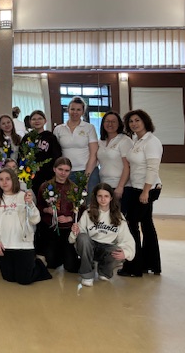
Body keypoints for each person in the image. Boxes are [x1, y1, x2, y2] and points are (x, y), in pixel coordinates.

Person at [0, 168, 52, 285]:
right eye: (1, 179)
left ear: (14, 180)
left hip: (23, 244)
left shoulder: (23, 196)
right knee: (8, 278)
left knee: (24, 280)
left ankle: (39, 264)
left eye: (7, 179)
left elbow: (35, 219)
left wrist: (30, 204)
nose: (4, 182)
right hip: (4, 245)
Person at [118, 109, 163, 277]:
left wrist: (145, 192)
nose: (134, 124)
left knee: (132, 225)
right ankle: (150, 264)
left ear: (145, 121)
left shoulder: (151, 141)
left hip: (147, 189)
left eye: (137, 120)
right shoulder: (137, 140)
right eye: (131, 121)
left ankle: (134, 267)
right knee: (147, 225)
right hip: (137, 187)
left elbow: (152, 168)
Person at [69, 183, 135, 286]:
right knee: (83, 237)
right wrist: (75, 232)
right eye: (100, 196)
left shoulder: (118, 216)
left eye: (106, 196)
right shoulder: (88, 213)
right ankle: (87, 275)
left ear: (111, 198)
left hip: (107, 249)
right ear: (95, 197)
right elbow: (75, 238)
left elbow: (127, 238)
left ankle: (104, 271)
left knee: (117, 250)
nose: (103, 199)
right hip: (90, 247)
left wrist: (126, 253)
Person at [36, 157, 80, 272]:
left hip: (67, 230)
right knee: (51, 263)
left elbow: (80, 210)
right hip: (50, 229)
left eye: (66, 170)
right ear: (54, 169)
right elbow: (38, 207)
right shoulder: (45, 186)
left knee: (71, 266)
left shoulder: (74, 188)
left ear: (70, 171)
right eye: (60, 169)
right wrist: (46, 210)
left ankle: (67, 254)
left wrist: (69, 218)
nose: (63, 173)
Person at [53, 96, 99, 198]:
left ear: (83, 112)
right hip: (67, 172)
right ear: (68, 110)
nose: (75, 112)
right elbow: (56, 152)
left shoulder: (89, 128)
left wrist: (86, 177)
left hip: (88, 171)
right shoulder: (58, 129)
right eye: (72, 109)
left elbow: (94, 154)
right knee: (69, 201)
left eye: (78, 110)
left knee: (90, 200)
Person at [21, 110, 62, 196]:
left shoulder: (50, 137)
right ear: (30, 122)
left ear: (45, 120)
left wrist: (49, 170)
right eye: (34, 119)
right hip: (29, 175)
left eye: (40, 118)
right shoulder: (26, 138)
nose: (37, 121)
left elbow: (56, 156)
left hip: (46, 175)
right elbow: (21, 156)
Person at [97, 111, 133, 199]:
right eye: (107, 121)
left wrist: (120, 187)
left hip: (119, 186)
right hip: (104, 185)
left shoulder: (124, 140)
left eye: (113, 121)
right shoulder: (101, 141)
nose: (110, 124)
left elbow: (127, 166)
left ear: (119, 124)